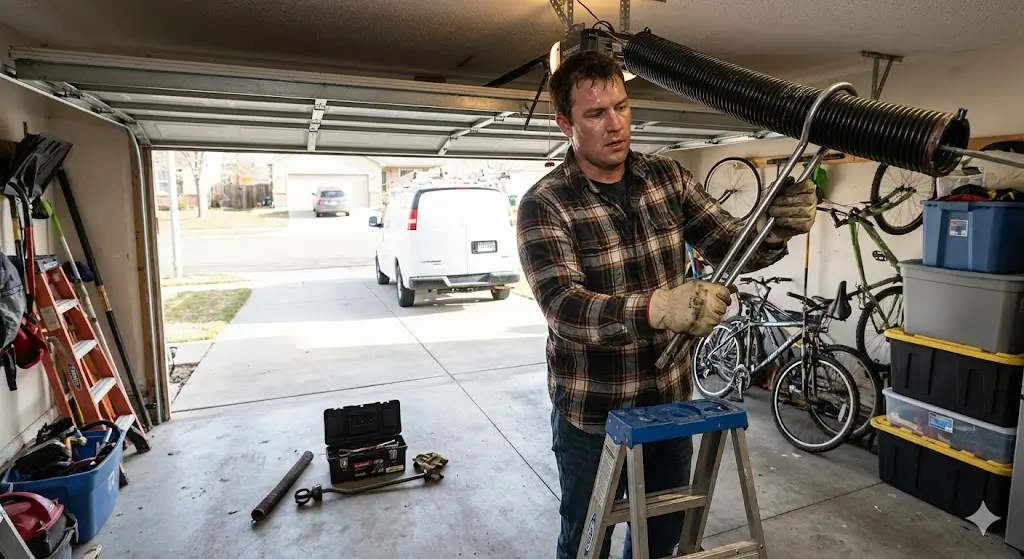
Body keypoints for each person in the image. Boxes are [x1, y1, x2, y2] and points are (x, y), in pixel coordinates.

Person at [515, 50, 817, 559]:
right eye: (595, 114)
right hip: (594, 412)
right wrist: (658, 308)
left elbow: (730, 243)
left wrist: (778, 227)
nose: (615, 125)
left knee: (663, 533)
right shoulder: (545, 204)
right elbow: (563, 308)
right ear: (564, 123)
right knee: (586, 538)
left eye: (622, 107)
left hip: (669, 403)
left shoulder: (667, 178)